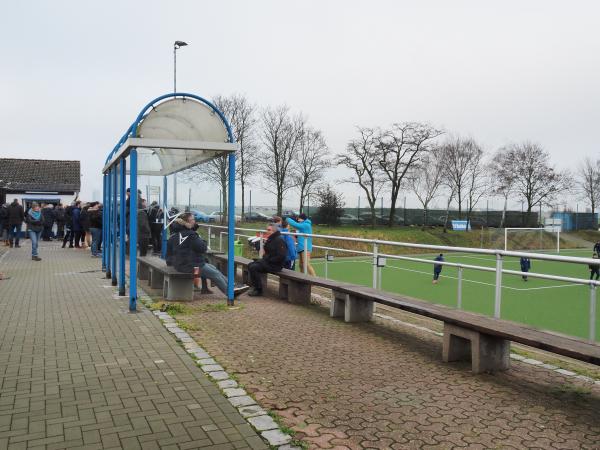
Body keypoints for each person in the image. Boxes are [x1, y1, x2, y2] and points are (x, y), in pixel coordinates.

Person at [167, 212, 249, 302]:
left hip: (181, 264)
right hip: (191, 266)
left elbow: (170, 253)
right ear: (187, 222)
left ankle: (232, 286)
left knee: (213, 268)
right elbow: (202, 248)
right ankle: (230, 292)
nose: (195, 221)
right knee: (214, 274)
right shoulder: (191, 235)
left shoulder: (174, 235)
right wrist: (200, 239)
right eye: (193, 219)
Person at [247, 223, 288, 296]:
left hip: (275, 265)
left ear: (274, 231)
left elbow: (281, 256)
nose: (267, 231)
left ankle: (259, 290)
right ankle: (254, 286)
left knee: (254, 267)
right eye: (267, 229)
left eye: (269, 230)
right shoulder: (271, 239)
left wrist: (268, 260)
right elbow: (268, 253)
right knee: (250, 265)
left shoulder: (279, 240)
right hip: (268, 262)